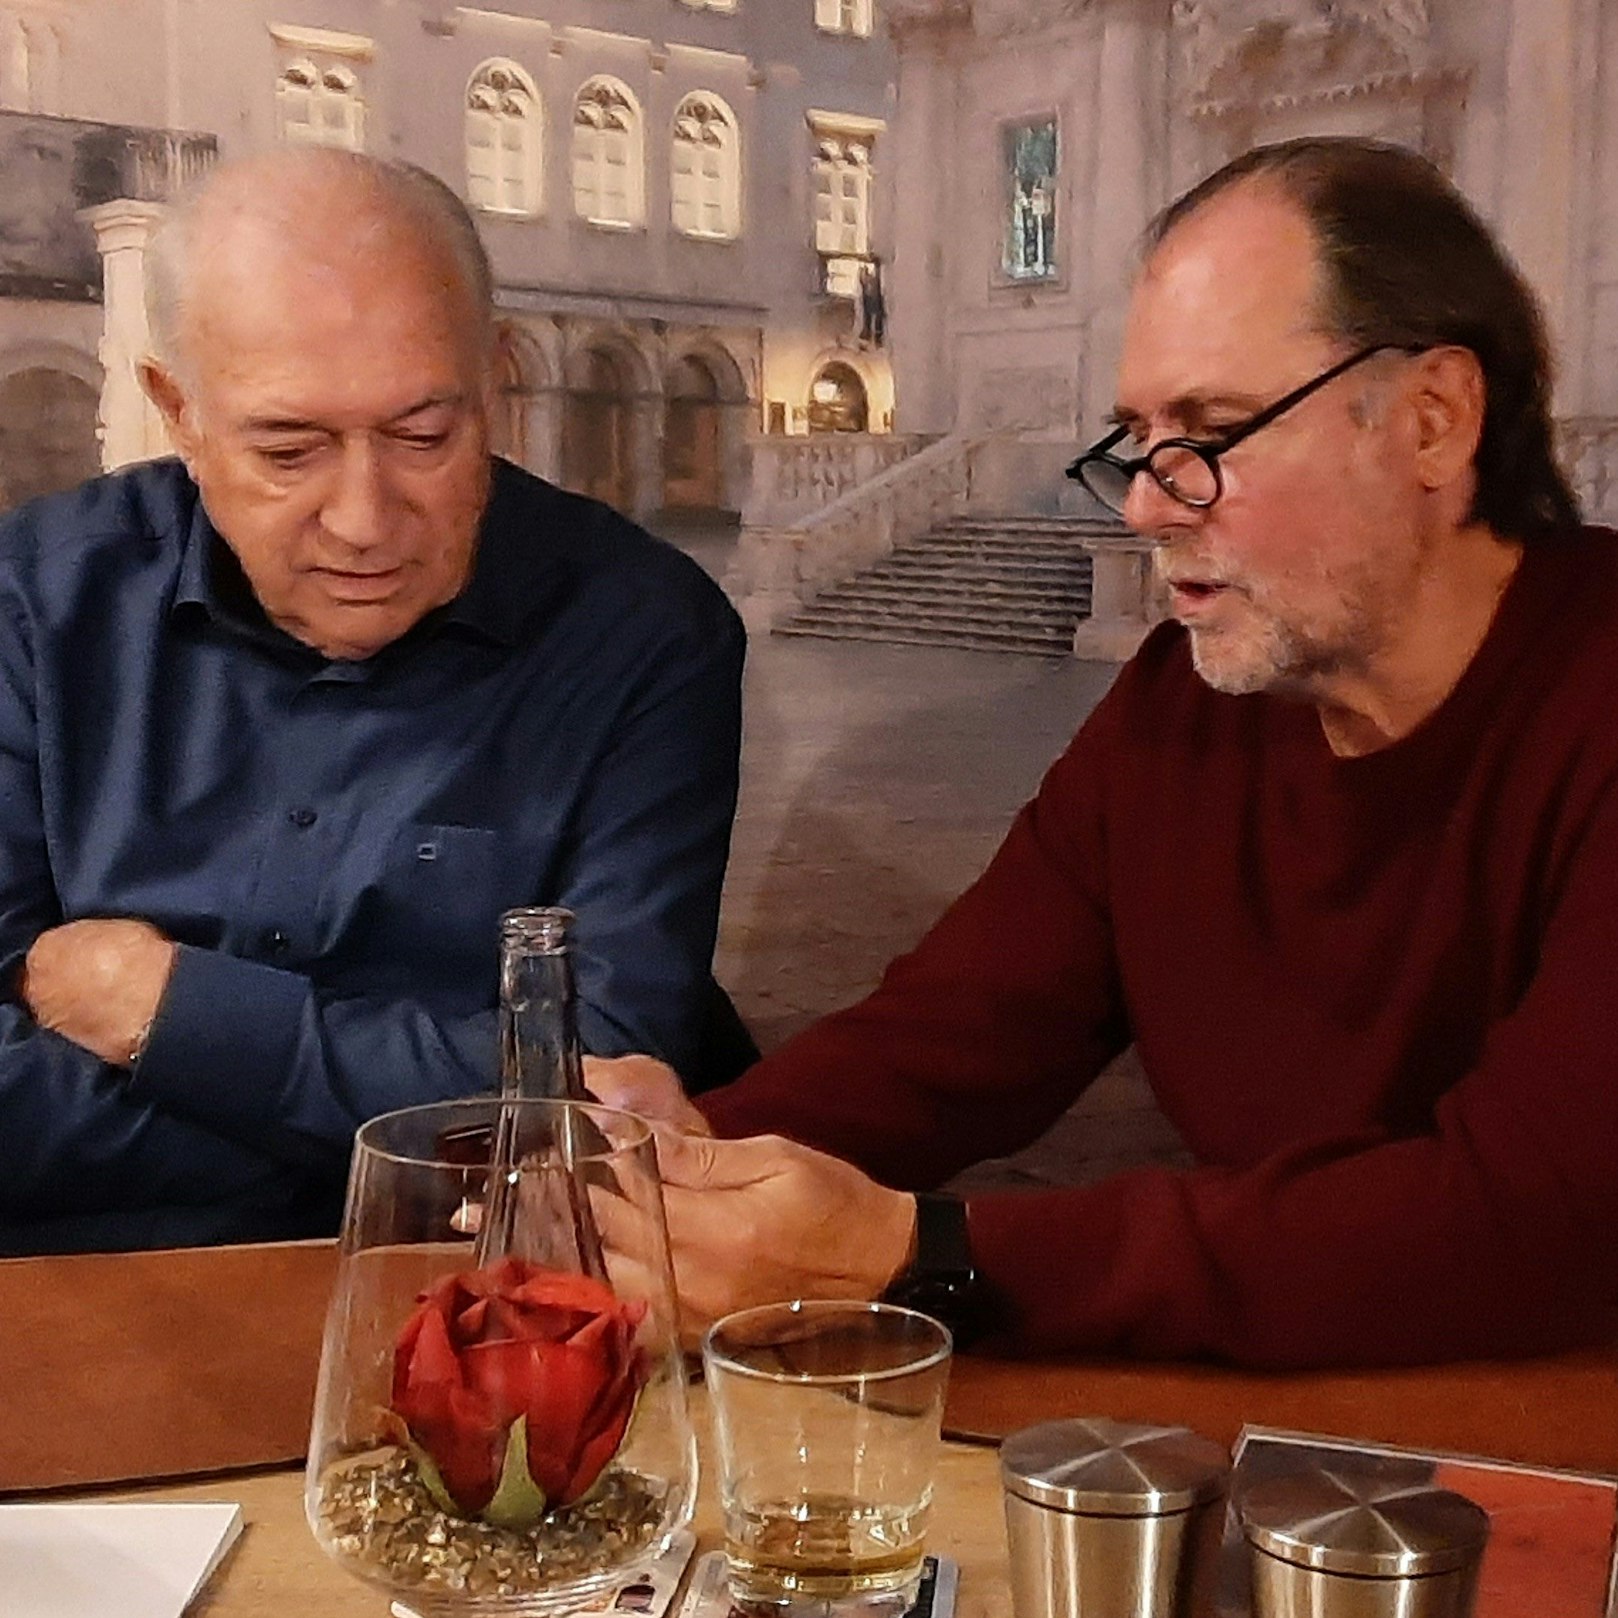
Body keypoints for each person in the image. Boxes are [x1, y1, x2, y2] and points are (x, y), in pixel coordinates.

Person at [589, 136, 1618, 1370]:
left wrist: (919, 1255)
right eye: (1136, 436)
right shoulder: (1183, 713)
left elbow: (1525, 1224)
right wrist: (686, 1166)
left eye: (1213, 431)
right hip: (1326, 1437)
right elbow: (954, 1034)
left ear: (1432, 421)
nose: (1142, 503)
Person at [0, 147, 747, 1255]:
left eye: (422, 437)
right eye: (289, 448)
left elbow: (601, 1091)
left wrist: (166, 1012)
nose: (363, 518)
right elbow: (538, 1132)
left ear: (494, 382)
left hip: (480, 1294)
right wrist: (420, 1124)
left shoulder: (642, 631)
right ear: (178, 411)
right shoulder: (32, 602)